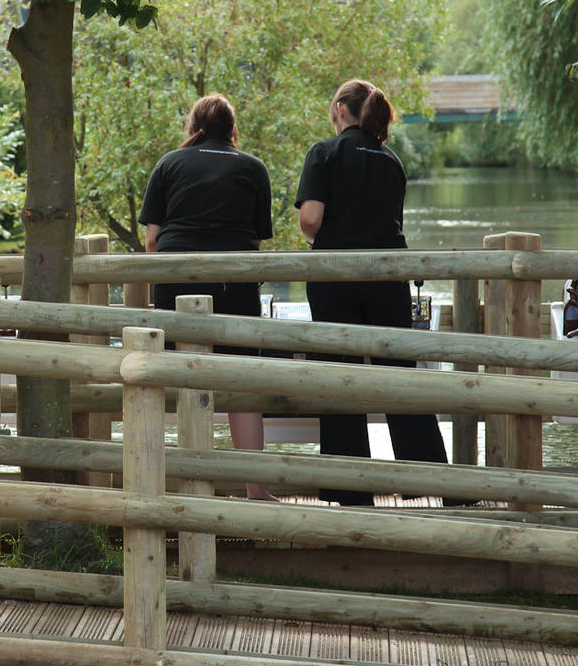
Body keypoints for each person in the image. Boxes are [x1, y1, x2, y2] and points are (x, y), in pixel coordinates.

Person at [295, 78, 448, 505]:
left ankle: (348, 488)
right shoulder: (391, 159)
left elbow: (310, 219)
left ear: (341, 110)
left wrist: (320, 235)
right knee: (398, 375)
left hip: (335, 278)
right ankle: (427, 480)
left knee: (339, 376)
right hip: (388, 279)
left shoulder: (324, 152)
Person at [139, 94, 276, 500]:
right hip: (235, 283)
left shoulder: (168, 164)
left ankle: (185, 487)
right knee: (242, 383)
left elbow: (152, 240)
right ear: (233, 130)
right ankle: (256, 490)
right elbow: (257, 238)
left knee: (182, 377)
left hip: (176, 280)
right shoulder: (253, 167)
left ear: (193, 127)